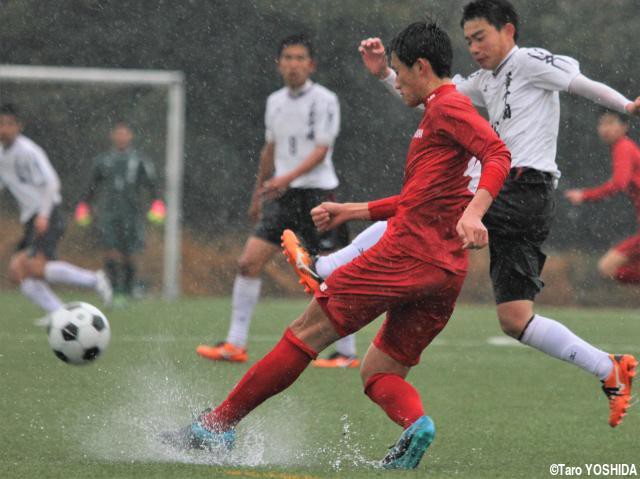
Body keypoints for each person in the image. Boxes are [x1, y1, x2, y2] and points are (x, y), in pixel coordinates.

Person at [163, 21, 511, 469]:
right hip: (445, 271)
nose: (397, 80)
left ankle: (215, 427)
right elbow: (423, 198)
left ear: (422, 67)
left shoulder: (448, 109)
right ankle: (416, 424)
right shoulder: (440, 114)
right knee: (379, 373)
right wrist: (356, 210)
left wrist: (475, 212)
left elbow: (499, 153)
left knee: (305, 333)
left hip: (405, 256)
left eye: (401, 71)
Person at [285, 0, 639, 428]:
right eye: (468, 39)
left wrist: (626, 106)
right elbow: (429, 99)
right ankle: (609, 368)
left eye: (480, 36)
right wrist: (385, 75)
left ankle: (325, 266)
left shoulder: (528, 61)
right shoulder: (482, 81)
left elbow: (580, 84)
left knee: (421, 208)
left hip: (518, 184)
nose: (473, 47)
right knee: (515, 319)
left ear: (508, 30)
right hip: (521, 202)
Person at [195, 33, 358, 368]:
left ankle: (346, 353)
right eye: (288, 58)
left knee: (332, 273)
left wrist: (286, 177)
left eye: (300, 58)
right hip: (283, 198)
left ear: (311, 64)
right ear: (278, 64)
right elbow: (269, 150)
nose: (293, 65)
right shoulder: (275, 102)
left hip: (318, 195)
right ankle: (235, 344)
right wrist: (258, 194)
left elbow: (321, 150)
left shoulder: (325, 100)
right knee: (248, 263)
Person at [0, 103, 113, 314]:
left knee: (35, 267)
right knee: (18, 272)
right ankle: (61, 315)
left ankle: (94, 280)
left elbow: (53, 182)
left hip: (46, 212)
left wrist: (43, 215)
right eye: (0, 124)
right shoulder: (2, 155)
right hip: (30, 218)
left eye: (8, 124)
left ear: (19, 126)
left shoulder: (28, 151)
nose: (3, 129)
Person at [74, 122, 165, 305]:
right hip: (109, 213)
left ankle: (129, 290)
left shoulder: (139, 160)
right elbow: (92, 185)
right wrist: (83, 204)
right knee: (111, 251)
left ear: (130, 136)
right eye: (118, 133)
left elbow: (152, 185)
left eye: (125, 134)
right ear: (113, 136)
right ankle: (116, 290)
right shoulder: (103, 160)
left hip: (132, 213)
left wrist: (158, 203)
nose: (121, 137)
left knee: (131, 253)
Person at [565, 111, 640, 285]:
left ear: (624, 126)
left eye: (611, 123)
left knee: (608, 267)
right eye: (602, 124)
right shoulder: (625, 147)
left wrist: (585, 195)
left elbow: (619, 183)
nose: (605, 128)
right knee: (609, 267)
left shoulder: (623, 146)